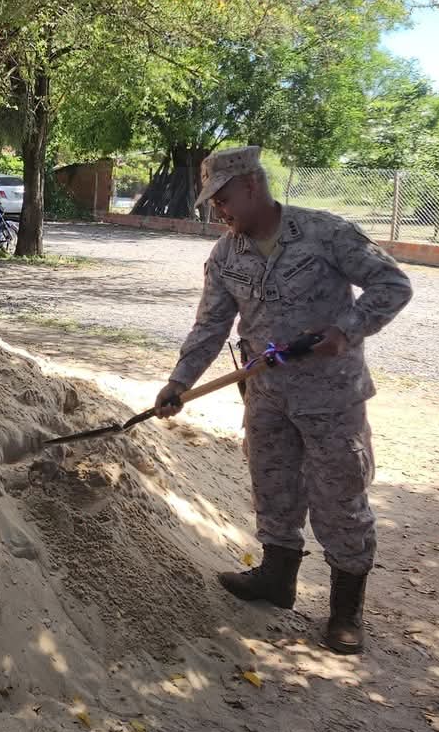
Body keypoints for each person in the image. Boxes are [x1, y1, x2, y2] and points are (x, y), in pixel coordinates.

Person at [158, 146, 413, 655]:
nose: (218, 212)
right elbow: (211, 325)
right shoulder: (227, 255)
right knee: (272, 486)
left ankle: (345, 611)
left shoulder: (324, 233)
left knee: (340, 497)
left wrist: (348, 329)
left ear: (253, 185)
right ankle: (277, 577)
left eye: (223, 199)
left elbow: (393, 283)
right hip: (266, 394)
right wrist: (179, 383)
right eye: (212, 203)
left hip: (331, 396)